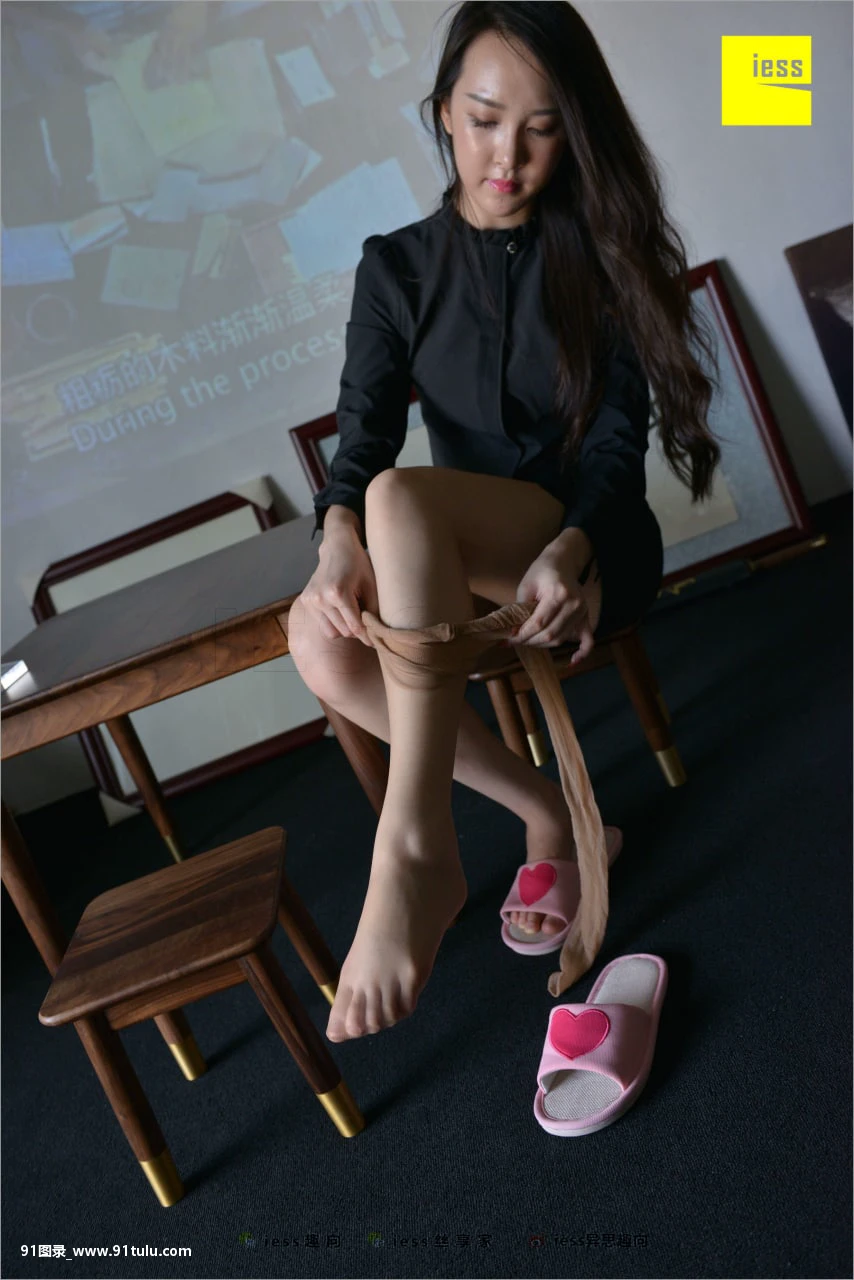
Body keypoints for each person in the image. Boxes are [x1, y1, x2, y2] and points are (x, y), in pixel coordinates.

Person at [287, 0, 721, 1044]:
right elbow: (362, 435)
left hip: (585, 542)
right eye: (484, 120)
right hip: (454, 554)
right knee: (317, 634)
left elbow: (613, 448)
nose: (507, 157)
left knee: (400, 501)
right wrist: (334, 543)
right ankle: (544, 810)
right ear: (443, 112)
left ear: (572, 133)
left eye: (540, 128)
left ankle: (412, 842)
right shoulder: (395, 267)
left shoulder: (600, 252)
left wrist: (571, 548)